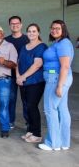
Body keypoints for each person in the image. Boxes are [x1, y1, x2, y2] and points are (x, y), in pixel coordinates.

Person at [38, 20, 74, 151]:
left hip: (57, 78)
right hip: (57, 77)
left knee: (50, 109)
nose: (54, 30)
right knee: (62, 109)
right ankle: (64, 142)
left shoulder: (63, 43)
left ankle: (52, 143)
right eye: (52, 28)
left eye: (57, 28)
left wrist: (60, 85)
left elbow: (65, 65)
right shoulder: (57, 43)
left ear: (63, 30)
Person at [16, 23, 47, 143]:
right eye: (29, 31)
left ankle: (37, 134)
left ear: (38, 33)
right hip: (23, 82)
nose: (31, 33)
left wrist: (23, 76)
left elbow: (37, 64)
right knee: (26, 106)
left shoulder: (41, 46)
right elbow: (18, 62)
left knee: (32, 106)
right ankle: (30, 130)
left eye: (34, 31)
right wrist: (18, 76)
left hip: (35, 82)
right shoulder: (24, 47)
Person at [5, 16, 29, 129]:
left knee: (27, 100)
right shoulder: (6, 40)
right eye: (12, 23)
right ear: (9, 25)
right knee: (11, 99)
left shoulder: (28, 39)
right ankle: (10, 121)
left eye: (17, 23)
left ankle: (29, 122)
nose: (15, 25)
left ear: (21, 24)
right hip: (10, 75)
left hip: (25, 75)